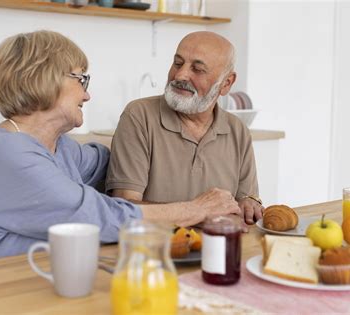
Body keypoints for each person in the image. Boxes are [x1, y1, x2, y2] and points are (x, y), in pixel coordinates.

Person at [0, 30, 239, 270]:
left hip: (23, 281)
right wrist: (197, 208)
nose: (87, 95)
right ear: (42, 78)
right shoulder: (1, 155)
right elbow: (99, 218)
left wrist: (152, 138)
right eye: (81, 79)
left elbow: (108, 161)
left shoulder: (60, 149)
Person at [106, 31, 263, 226]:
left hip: (218, 249)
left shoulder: (238, 130)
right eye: (178, 63)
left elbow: (242, 208)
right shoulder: (139, 116)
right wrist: (200, 213)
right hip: (156, 249)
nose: (180, 75)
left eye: (197, 69)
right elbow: (124, 208)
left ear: (226, 84)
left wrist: (249, 204)